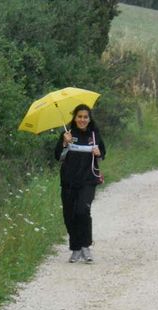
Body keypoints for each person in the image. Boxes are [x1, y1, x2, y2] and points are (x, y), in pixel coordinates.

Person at [54, 104, 105, 263]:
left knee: (82, 211)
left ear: (89, 119)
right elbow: (59, 157)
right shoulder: (67, 134)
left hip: (88, 181)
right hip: (69, 182)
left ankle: (85, 246)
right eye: (79, 117)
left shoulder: (94, 135)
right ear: (74, 118)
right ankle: (75, 248)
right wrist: (64, 144)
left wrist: (99, 153)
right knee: (69, 215)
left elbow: (102, 154)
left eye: (85, 117)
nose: (82, 120)